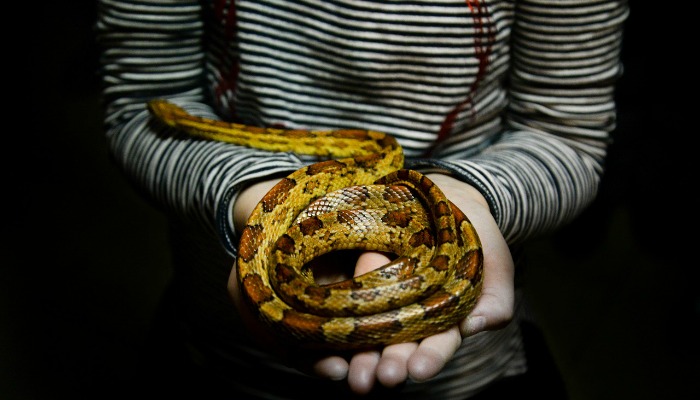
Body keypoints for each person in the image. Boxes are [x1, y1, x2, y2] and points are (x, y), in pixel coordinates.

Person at [95, 1, 629, 398]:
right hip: (214, 348)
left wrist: (473, 195)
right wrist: (250, 192)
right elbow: (135, 115)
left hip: (471, 376)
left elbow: (567, 138)